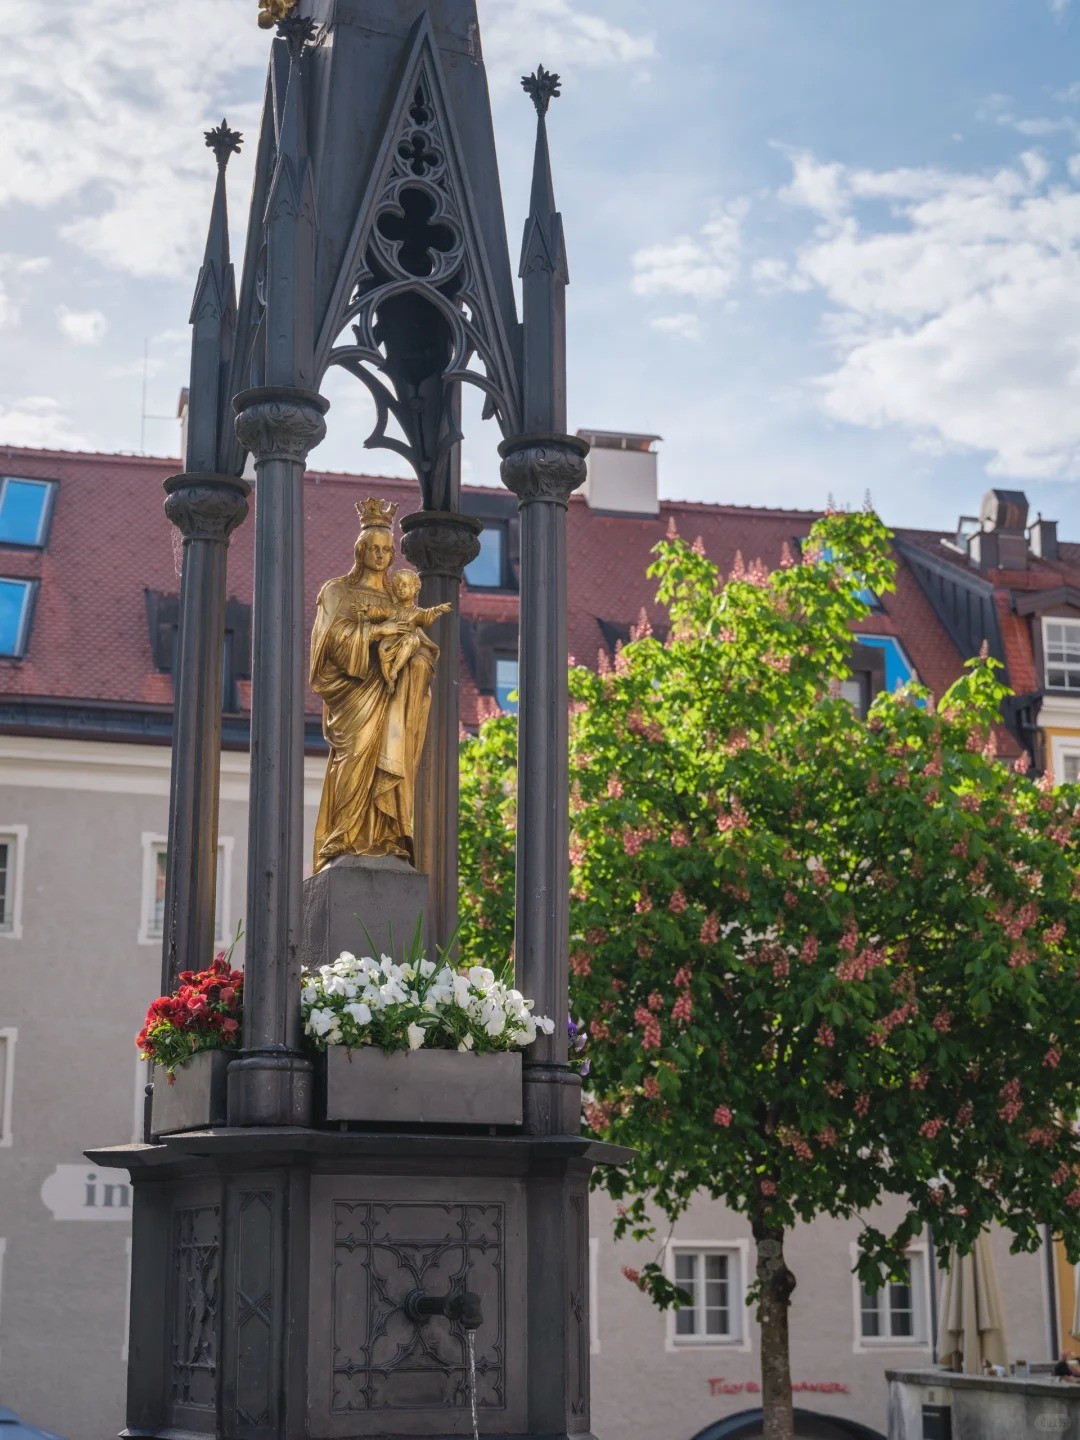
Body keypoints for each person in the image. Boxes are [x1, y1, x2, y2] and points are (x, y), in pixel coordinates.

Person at [308, 498, 444, 871]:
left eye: (388, 550)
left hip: (391, 697)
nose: (382, 556)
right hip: (353, 697)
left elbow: (423, 644)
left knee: (389, 760)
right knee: (353, 760)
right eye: (375, 549)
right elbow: (328, 643)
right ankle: (344, 837)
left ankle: (385, 834)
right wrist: (375, 631)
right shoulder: (336, 592)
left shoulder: (398, 596)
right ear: (360, 550)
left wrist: (416, 659)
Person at [373, 569, 450, 691]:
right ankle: (389, 680)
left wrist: (437, 610)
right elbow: (379, 612)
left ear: (415, 590)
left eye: (405, 585)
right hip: (391, 639)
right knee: (382, 650)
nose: (400, 589)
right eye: (397, 586)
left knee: (412, 639)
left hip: (408, 641)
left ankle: (394, 670)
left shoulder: (416, 612)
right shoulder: (392, 608)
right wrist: (366, 610)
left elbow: (426, 617)